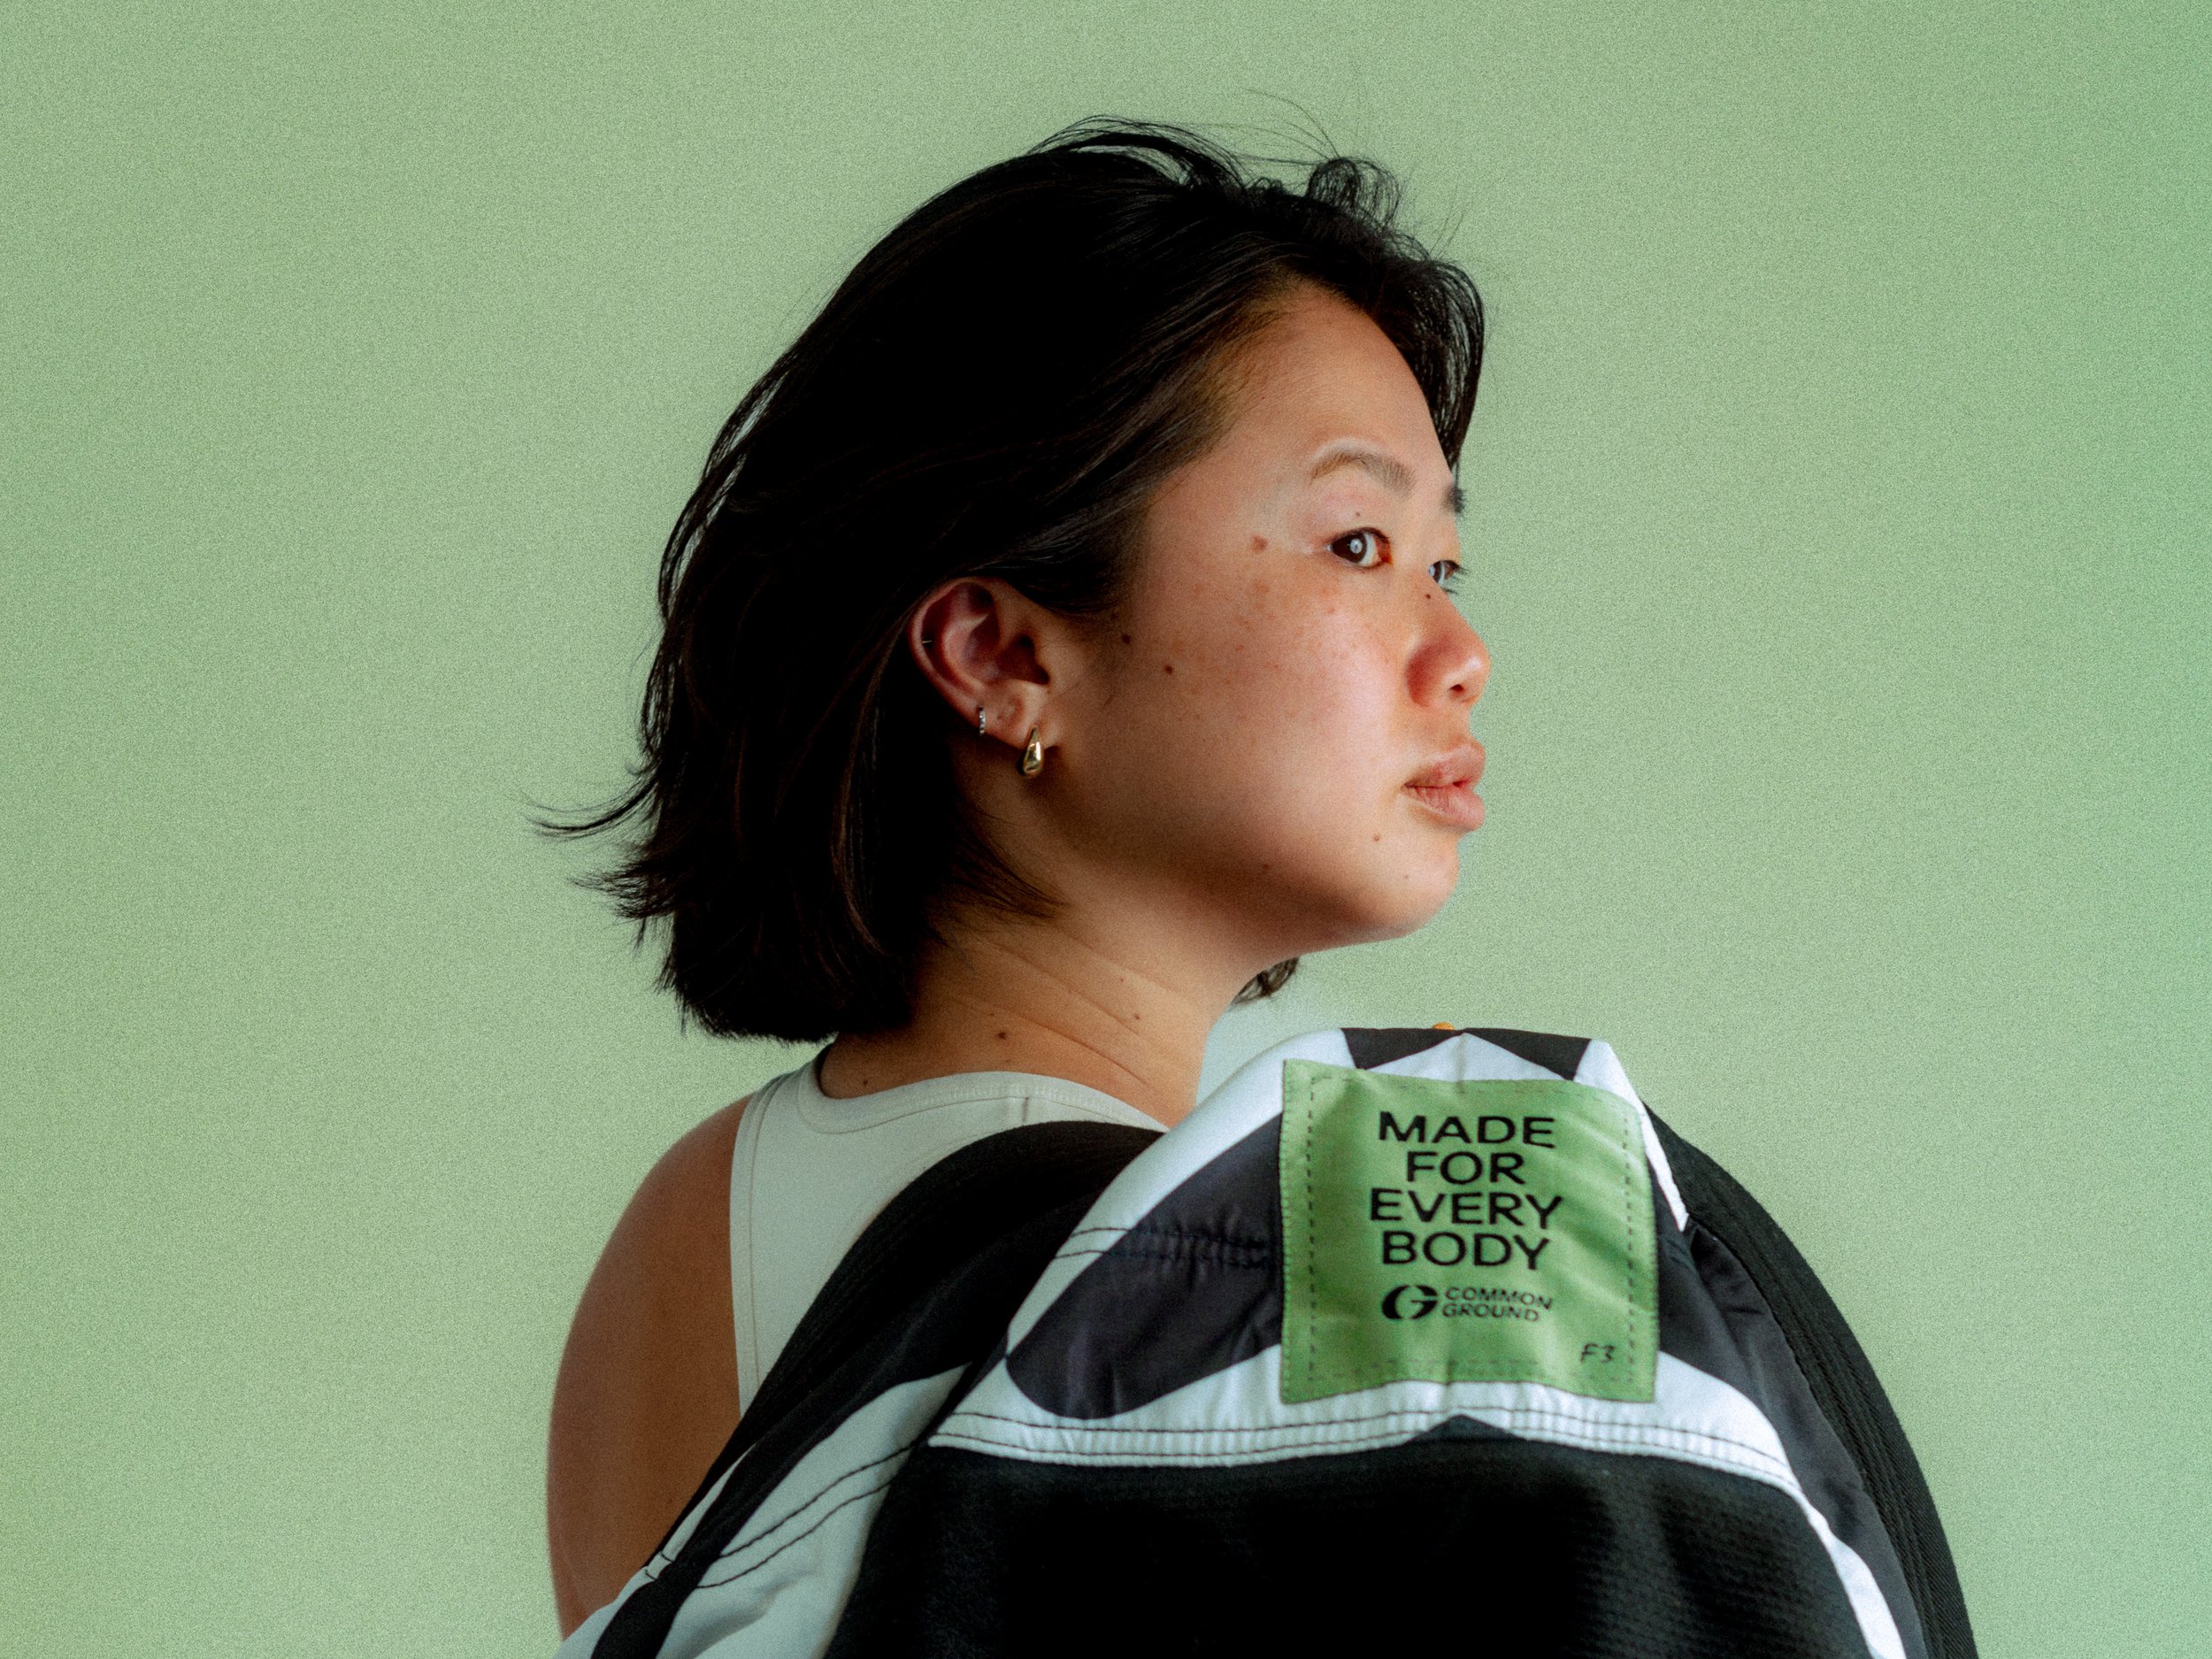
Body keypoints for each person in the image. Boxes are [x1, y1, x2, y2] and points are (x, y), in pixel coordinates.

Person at [539, 119, 1970, 1658]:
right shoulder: (1335, 1253)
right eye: (1357, 543)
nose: (1461, 654)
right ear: (1005, 655)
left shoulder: (692, 1226)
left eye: (1443, 567)